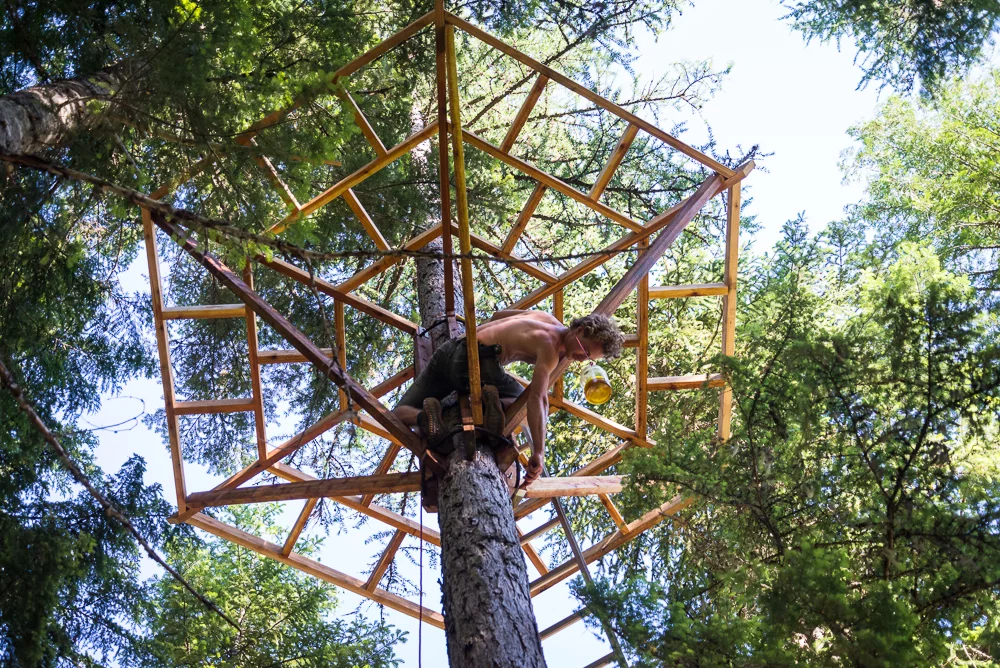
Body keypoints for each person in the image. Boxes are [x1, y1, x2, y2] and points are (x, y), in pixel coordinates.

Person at [392, 311, 624, 483]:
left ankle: (426, 417)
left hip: (452, 349)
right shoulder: (551, 347)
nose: (581, 360)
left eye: (589, 359)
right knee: (519, 405)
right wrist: (539, 452)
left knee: (399, 415)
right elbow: (538, 399)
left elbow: (498, 315)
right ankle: (487, 402)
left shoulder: (544, 317)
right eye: (585, 351)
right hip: (477, 364)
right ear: (580, 330)